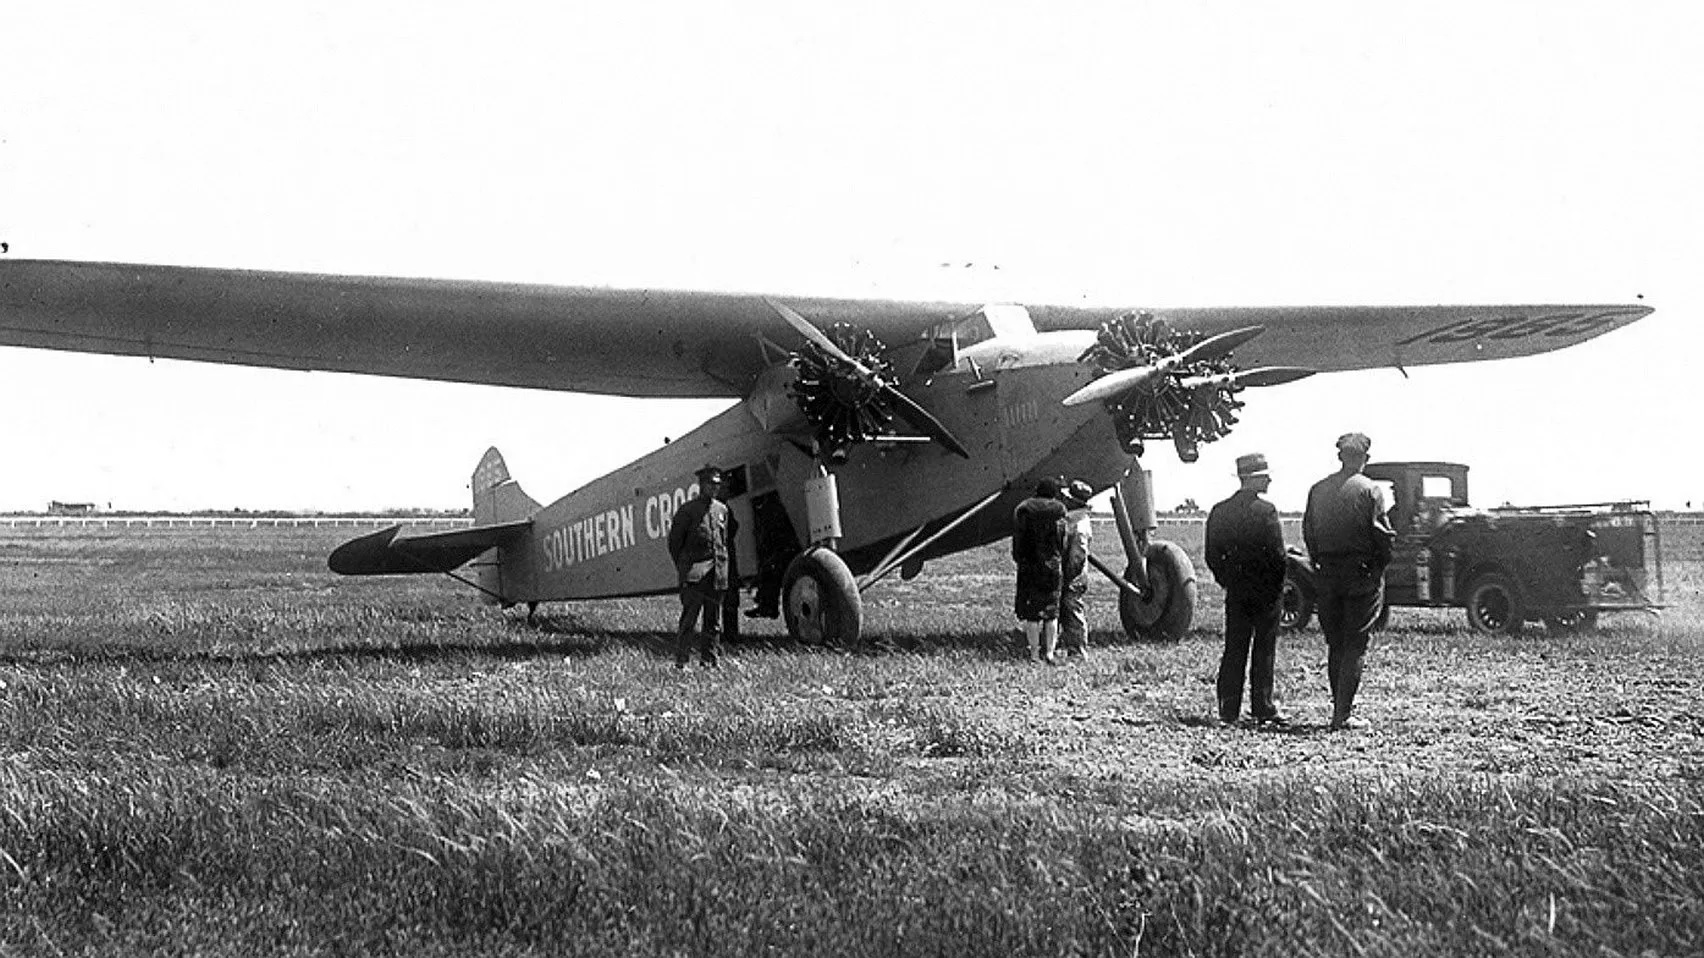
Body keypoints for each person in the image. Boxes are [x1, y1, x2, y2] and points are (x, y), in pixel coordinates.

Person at [1303, 433, 1397, 730]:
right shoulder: (1370, 490)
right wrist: (1379, 566)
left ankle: (1338, 708)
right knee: (1355, 644)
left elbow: (1309, 533)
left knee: (1336, 643)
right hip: (1360, 575)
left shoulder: (1317, 490)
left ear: (1340, 457)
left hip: (1327, 574)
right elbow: (1383, 536)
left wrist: (1319, 562)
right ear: (1364, 459)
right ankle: (1342, 714)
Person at [1205, 453, 1288, 726]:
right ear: (1255, 479)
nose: (1269, 480)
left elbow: (1212, 555)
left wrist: (1227, 580)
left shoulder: (1219, 511)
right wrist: (1277, 587)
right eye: (1265, 476)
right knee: (1264, 649)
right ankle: (1262, 706)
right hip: (1266, 592)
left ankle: (1228, 708)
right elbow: (1277, 556)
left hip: (1237, 590)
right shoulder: (1267, 512)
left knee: (1234, 648)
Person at [667, 464, 733, 668]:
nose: (715, 487)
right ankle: (682, 662)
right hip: (695, 574)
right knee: (689, 620)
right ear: (701, 485)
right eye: (711, 484)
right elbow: (675, 543)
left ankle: (710, 661)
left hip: (717, 574)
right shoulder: (688, 511)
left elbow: (724, 540)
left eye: (717, 484)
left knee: (713, 621)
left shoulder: (722, 510)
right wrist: (686, 568)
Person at [1012, 477, 1068, 664]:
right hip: (1052, 567)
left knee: (1032, 613)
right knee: (1052, 612)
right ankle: (1050, 652)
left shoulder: (1023, 509)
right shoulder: (1060, 510)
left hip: (1029, 566)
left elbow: (1018, 540)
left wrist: (1020, 559)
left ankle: (1034, 654)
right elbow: (1062, 539)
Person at [1058, 478, 1096, 659]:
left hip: (1074, 576)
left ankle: (1078, 649)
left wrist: (1067, 576)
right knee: (1067, 608)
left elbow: (1077, 557)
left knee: (1072, 608)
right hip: (1072, 573)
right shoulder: (1076, 520)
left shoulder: (1079, 526)